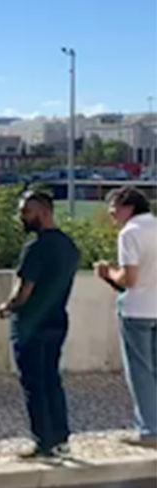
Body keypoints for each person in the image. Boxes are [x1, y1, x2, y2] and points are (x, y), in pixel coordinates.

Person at [0, 191, 79, 460]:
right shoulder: (69, 246)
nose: (23, 217)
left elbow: (24, 291)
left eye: (27, 212)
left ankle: (43, 442)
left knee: (34, 384)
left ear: (44, 212)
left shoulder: (36, 248)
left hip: (31, 324)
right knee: (52, 380)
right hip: (57, 320)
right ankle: (61, 438)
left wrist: (7, 307)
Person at [95, 187, 157, 450]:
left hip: (136, 310)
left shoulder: (129, 233)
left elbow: (129, 279)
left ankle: (149, 430)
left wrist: (108, 272)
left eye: (113, 209)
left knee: (140, 372)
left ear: (127, 207)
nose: (112, 215)